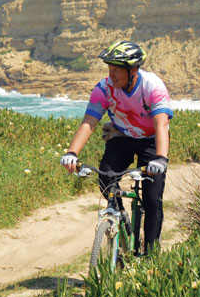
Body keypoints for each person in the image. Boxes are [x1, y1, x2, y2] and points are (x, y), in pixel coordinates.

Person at [60, 40, 173, 253]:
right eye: (109, 69)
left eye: (116, 70)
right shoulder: (104, 88)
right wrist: (72, 152)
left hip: (151, 139)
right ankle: (119, 215)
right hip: (122, 135)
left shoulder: (152, 86)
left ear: (133, 70)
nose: (111, 75)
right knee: (105, 176)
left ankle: (151, 256)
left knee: (152, 198)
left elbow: (161, 124)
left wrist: (161, 158)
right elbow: (89, 121)